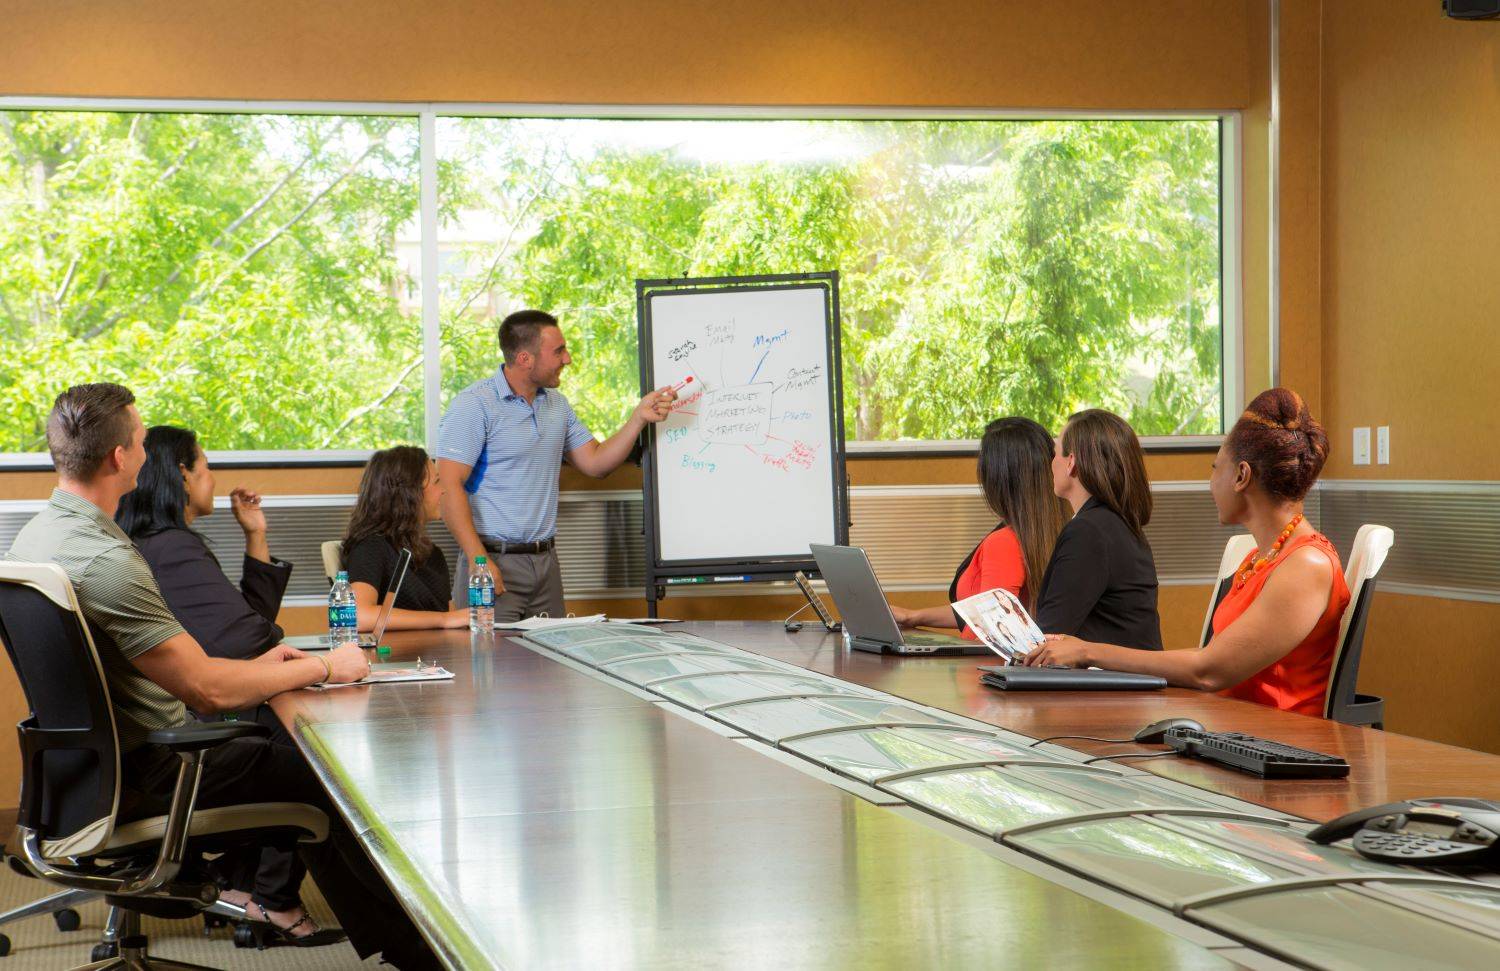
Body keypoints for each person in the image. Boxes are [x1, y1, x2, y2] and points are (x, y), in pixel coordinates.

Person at [4, 383, 437, 969]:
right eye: (139, 436)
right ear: (121, 458)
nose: (142, 445)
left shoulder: (41, 536)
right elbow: (205, 689)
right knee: (338, 775)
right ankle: (421, 953)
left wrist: (261, 667)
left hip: (85, 774)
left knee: (288, 742)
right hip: (156, 770)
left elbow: (190, 668)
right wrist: (325, 664)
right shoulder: (106, 558)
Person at [1026, 389, 1350, 716]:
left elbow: (1208, 670)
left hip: (1275, 744)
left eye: (1215, 467)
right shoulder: (1259, 559)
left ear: (1241, 476)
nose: (1211, 481)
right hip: (1234, 730)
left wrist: (1086, 652)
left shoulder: (1306, 566)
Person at [437, 309, 674, 622]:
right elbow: (447, 488)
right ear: (525, 359)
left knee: (551, 665)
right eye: (558, 351)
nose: (568, 359)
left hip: (546, 564)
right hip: (493, 562)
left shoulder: (557, 405)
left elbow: (595, 462)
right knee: (491, 665)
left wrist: (638, 418)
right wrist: (479, 561)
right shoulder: (474, 404)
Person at [116, 426, 292, 664]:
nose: (212, 477)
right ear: (184, 476)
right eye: (207, 466)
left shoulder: (153, 542)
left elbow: (254, 622)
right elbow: (250, 639)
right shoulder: (172, 550)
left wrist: (256, 533)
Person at [890, 417, 1067, 637]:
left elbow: (993, 632)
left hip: (980, 669)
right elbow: (981, 612)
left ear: (995, 480)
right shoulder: (1060, 534)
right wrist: (913, 616)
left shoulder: (1004, 542)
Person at [1034, 408, 1163, 651]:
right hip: (1128, 680)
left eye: (1054, 454)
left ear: (1071, 462)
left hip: (1113, 685)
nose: (1051, 464)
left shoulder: (1088, 532)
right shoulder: (1116, 524)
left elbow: (1049, 637)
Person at [342, 445, 470, 631]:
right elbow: (358, 616)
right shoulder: (371, 547)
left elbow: (452, 621)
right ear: (410, 492)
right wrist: (444, 619)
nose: (443, 490)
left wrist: (452, 620)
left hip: (435, 655)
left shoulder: (434, 555)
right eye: (436, 482)